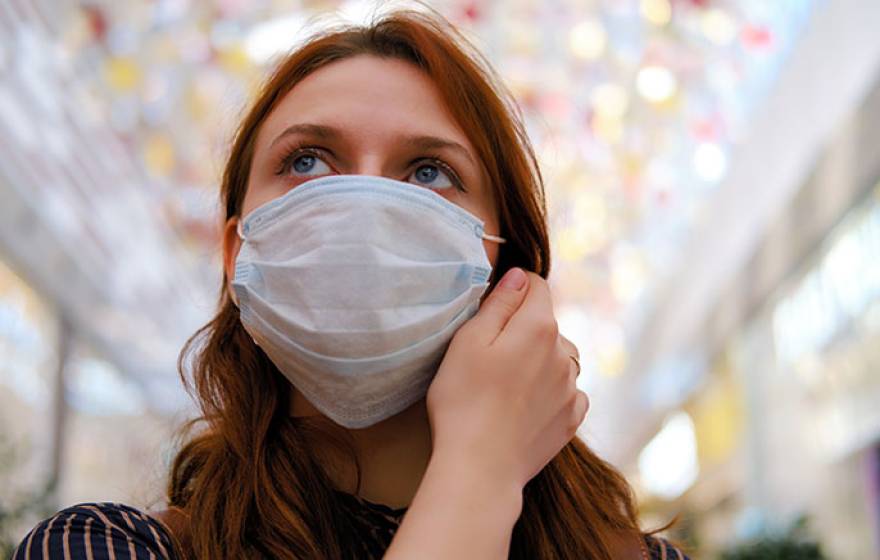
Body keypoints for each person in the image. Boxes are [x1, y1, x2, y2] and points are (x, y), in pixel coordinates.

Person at [14, 10, 689, 560]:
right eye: (307, 160)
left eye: (428, 172)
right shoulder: (103, 547)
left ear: (505, 265)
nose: (364, 206)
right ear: (236, 250)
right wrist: (479, 473)